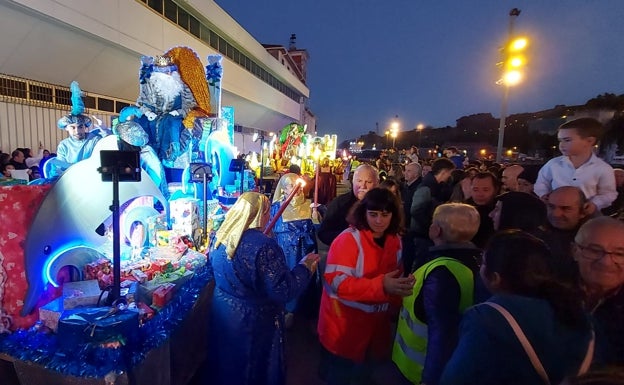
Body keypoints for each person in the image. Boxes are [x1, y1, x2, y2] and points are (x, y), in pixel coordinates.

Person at [440, 231, 595, 385]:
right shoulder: (578, 313)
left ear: (495, 278)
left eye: (483, 262)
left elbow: (456, 378)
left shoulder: (488, 318)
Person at [207, 192, 319, 385]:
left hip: (224, 312)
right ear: (259, 214)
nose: (269, 217)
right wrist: (305, 267)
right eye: (266, 212)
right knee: (252, 367)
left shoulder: (221, 235)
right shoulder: (264, 246)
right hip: (252, 320)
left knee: (227, 362)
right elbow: (283, 290)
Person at [318, 187, 415, 385]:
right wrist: (383, 286)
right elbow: (337, 283)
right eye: (373, 214)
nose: (379, 221)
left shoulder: (394, 240)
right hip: (343, 330)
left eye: (385, 215)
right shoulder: (348, 240)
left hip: (374, 332)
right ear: (364, 213)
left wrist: (398, 294)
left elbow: (396, 274)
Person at [393, 203, 488, 385]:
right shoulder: (480, 261)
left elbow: (442, 333)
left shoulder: (442, 272)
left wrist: (431, 378)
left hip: (420, 369)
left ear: (435, 230)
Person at [534, 117, 617, 214]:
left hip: (585, 213)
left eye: (567, 140)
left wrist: (594, 203)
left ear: (590, 141)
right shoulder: (553, 164)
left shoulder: (603, 168)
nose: (561, 145)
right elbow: (541, 183)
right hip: (555, 211)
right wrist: (543, 194)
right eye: (560, 140)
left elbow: (608, 193)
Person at [574, 216, 624, 366]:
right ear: (574, 251)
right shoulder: (549, 292)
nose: (606, 262)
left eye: (620, 254)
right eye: (594, 250)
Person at [270, 173, 317, 325]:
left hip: (304, 251)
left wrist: (317, 220)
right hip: (285, 253)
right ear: (283, 189)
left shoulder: (311, 206)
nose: (295, 188)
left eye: (296, 183)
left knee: (306, 282)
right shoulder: (276, 208)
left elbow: (319, 233)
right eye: (290, 185)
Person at [409, 157, 455, 269]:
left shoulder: (437, 187)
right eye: (449, 173)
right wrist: (430, 226)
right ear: (443, 172)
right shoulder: (427, 188)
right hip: (422, 234)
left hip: (426, 233)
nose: (450, 176)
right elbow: (416, 211)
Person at [317, 163, 379, 246]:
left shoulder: (382, 205)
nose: (363, 186)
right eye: (359, 181)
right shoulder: (339, 203)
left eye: (368, 182)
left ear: (377, 183)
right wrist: (347, 238)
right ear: (353, 181)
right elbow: (324, 233)